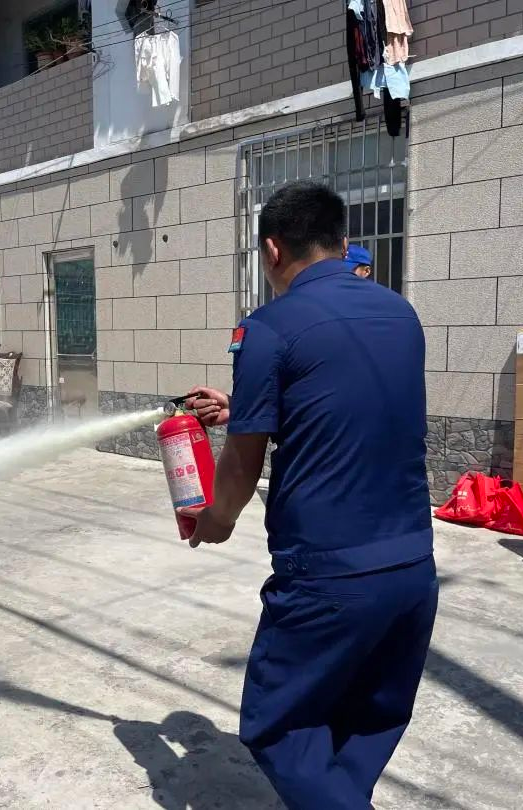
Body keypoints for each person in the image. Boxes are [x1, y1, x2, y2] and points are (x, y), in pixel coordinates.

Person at [181, 180, 437, 809]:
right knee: (362, 724)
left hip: (327, 577)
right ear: (342, 242)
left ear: (272, 249)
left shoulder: (267, 328)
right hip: (411, 567)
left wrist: (215, 520)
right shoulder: (400, 313)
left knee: (280, 727)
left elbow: (242, 464)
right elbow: (345, 399)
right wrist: (245, 406)